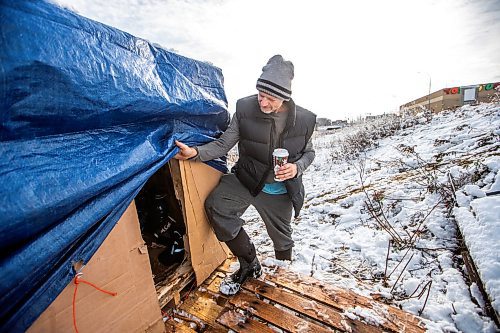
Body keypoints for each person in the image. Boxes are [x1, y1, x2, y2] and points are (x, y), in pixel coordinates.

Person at [174, 55, 316, 295]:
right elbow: (223, 144)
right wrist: (194, 153)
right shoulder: (244, 108)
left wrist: (296, 167)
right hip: (247, 179)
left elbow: (309, 153)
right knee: (217, 207)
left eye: (271, 98)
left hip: (279, 190)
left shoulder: (305, 120)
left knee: (282, 239)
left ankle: (283, 278)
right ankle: (249, 264)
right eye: (261, 95)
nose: (263, 102)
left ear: (285, 97)